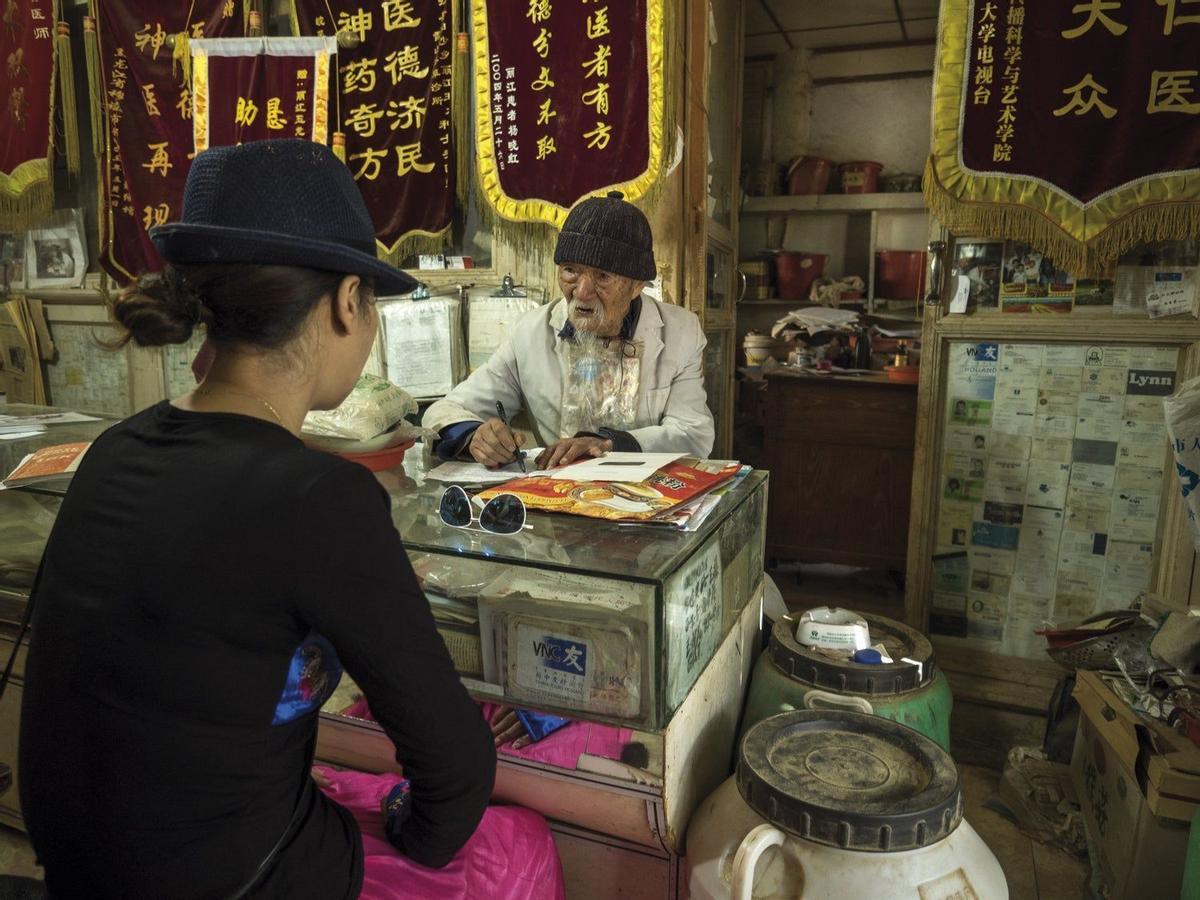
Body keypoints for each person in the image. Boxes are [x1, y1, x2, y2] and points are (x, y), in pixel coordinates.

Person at [18, 141, 501, 898]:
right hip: (236, 879)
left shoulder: (114, 448)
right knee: (513, 846)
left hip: (79, 870)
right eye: (372, 305)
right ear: (348, 302)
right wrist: (409, 835)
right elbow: (457, 765)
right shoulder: (321, 498)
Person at [423, 190, 714, 471]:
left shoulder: (680, 332)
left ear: (637, 286)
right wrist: (475, 436)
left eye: (602, 276)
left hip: (647, 493)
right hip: (556, 491)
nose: (582, 292)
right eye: (570, 271)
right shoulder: (530, 333)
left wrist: (609, 444)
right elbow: (447, 411)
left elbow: (693, 435)